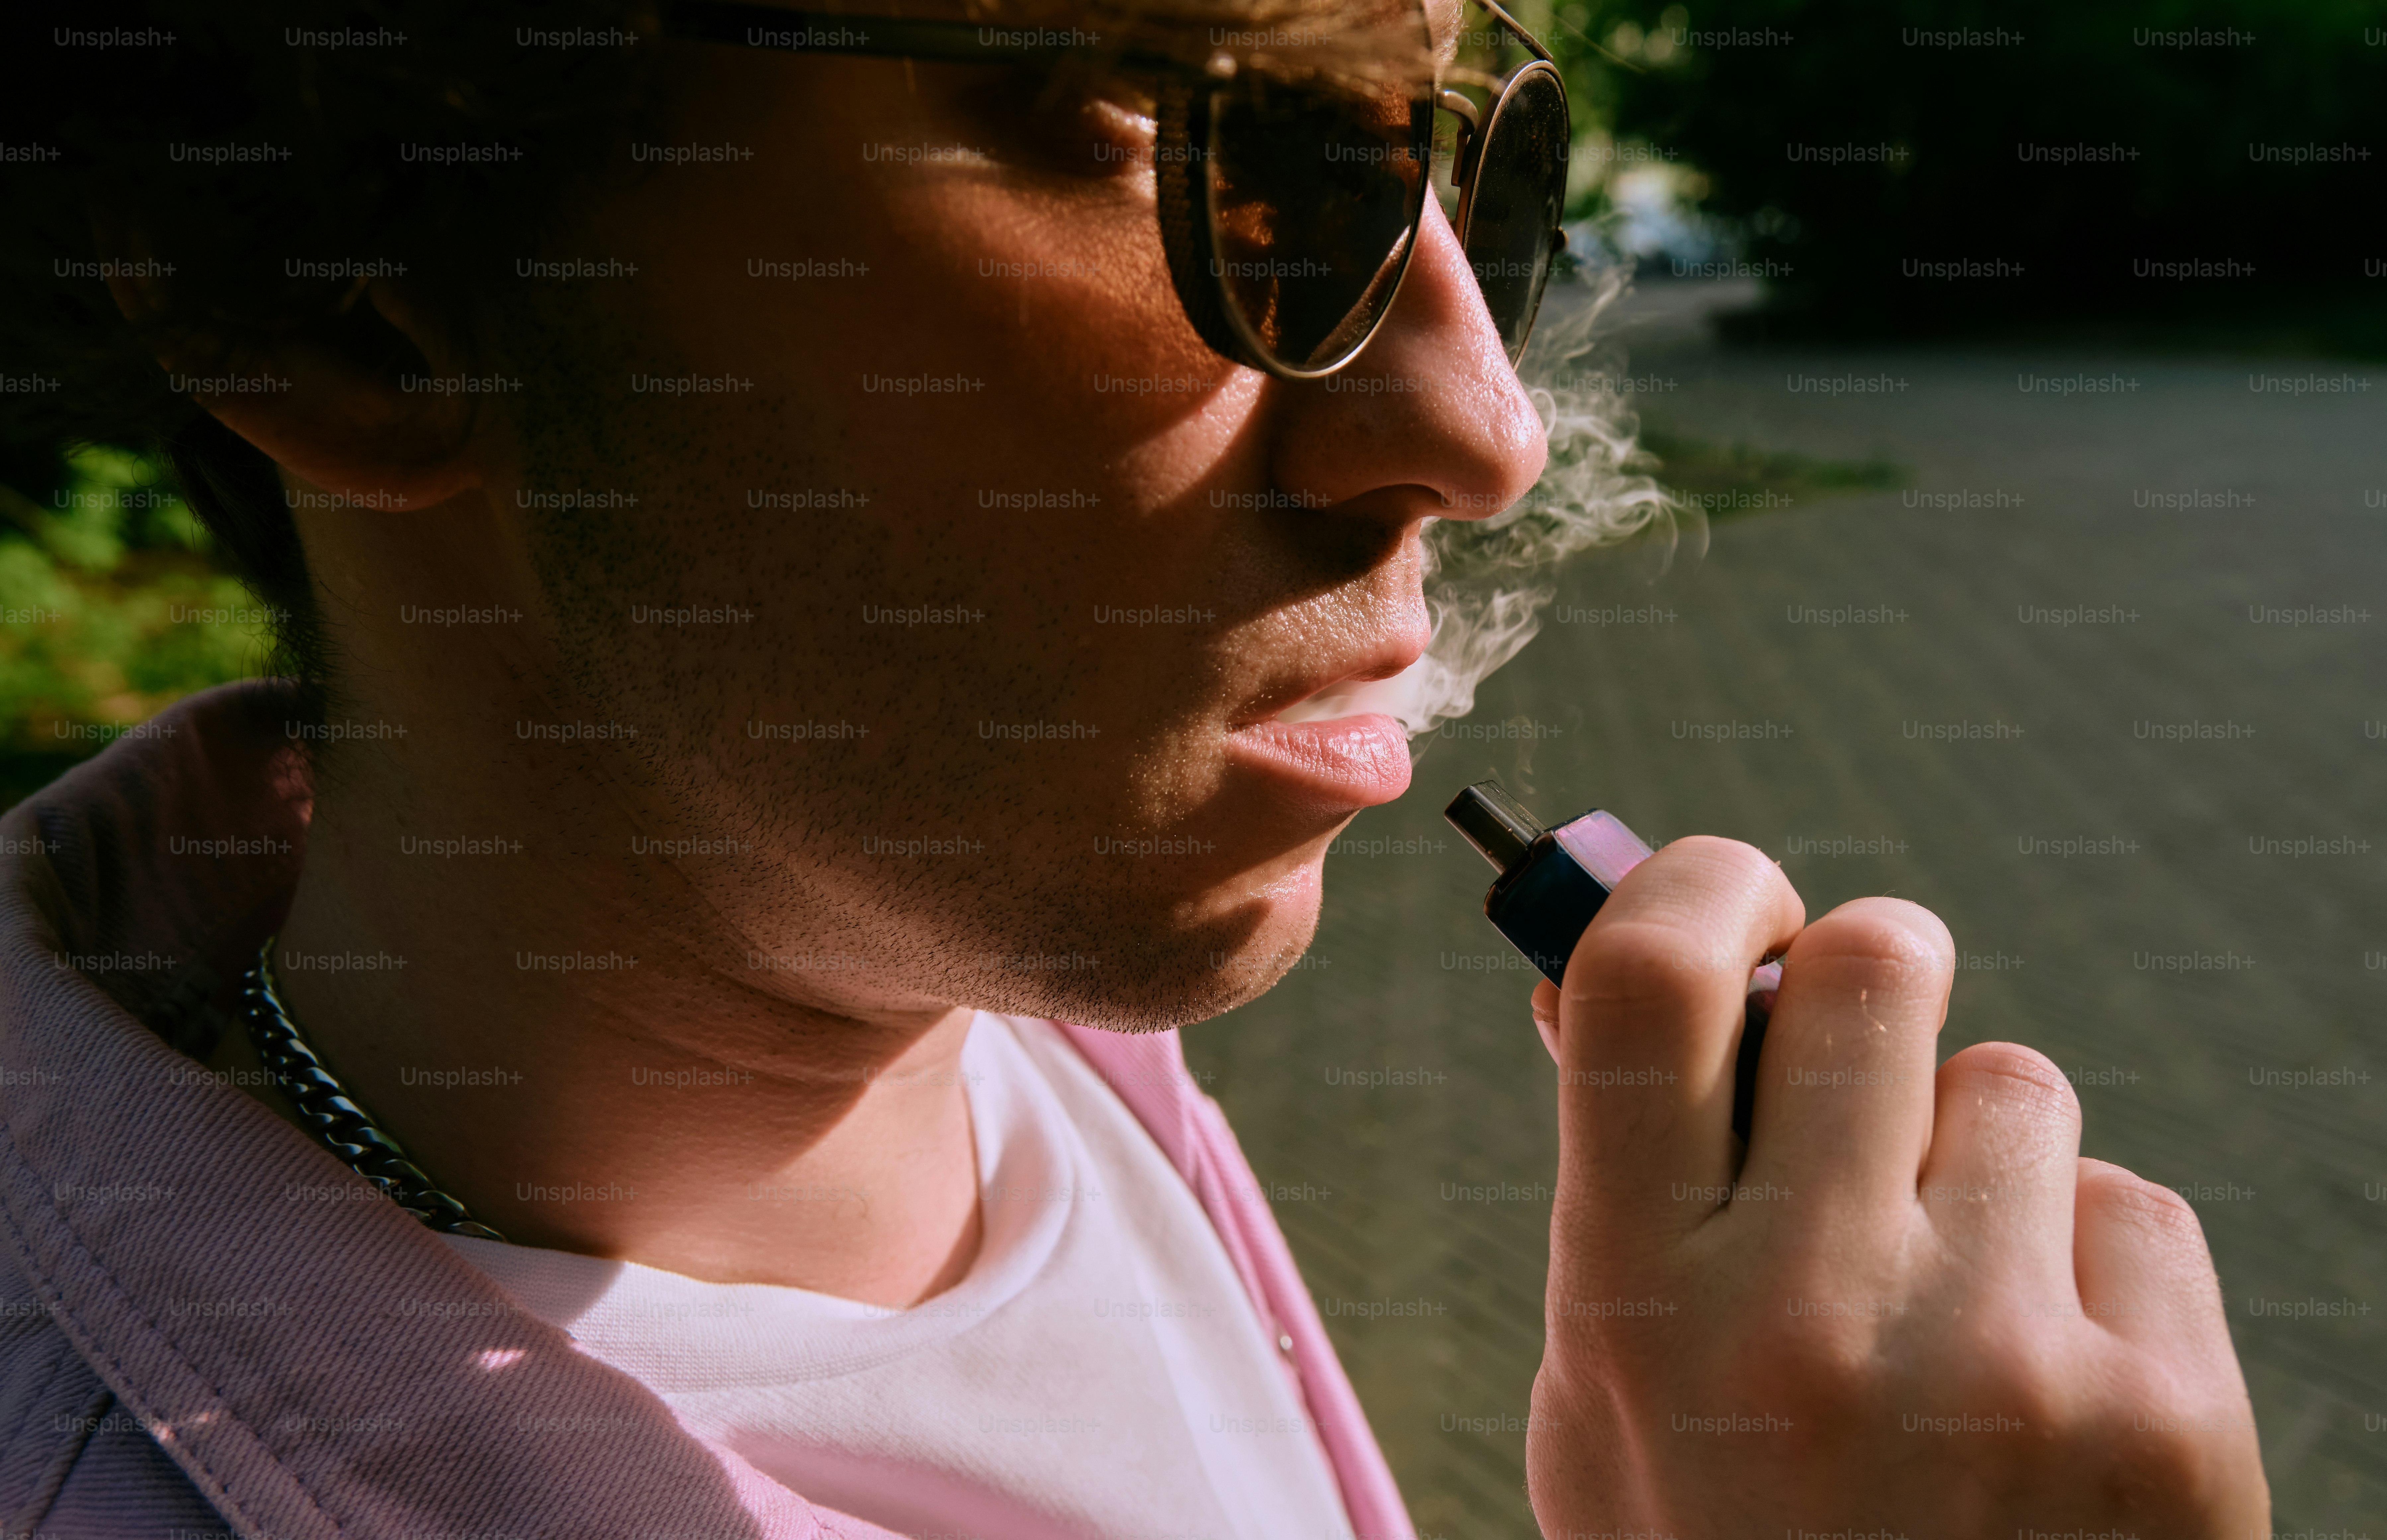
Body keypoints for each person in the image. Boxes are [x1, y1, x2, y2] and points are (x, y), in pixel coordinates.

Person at [0, 2, 2268, 1536]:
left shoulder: (1031, 1022)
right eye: (1255, 164)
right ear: (346, 293)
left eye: (1477, 170)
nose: (1485, 434)